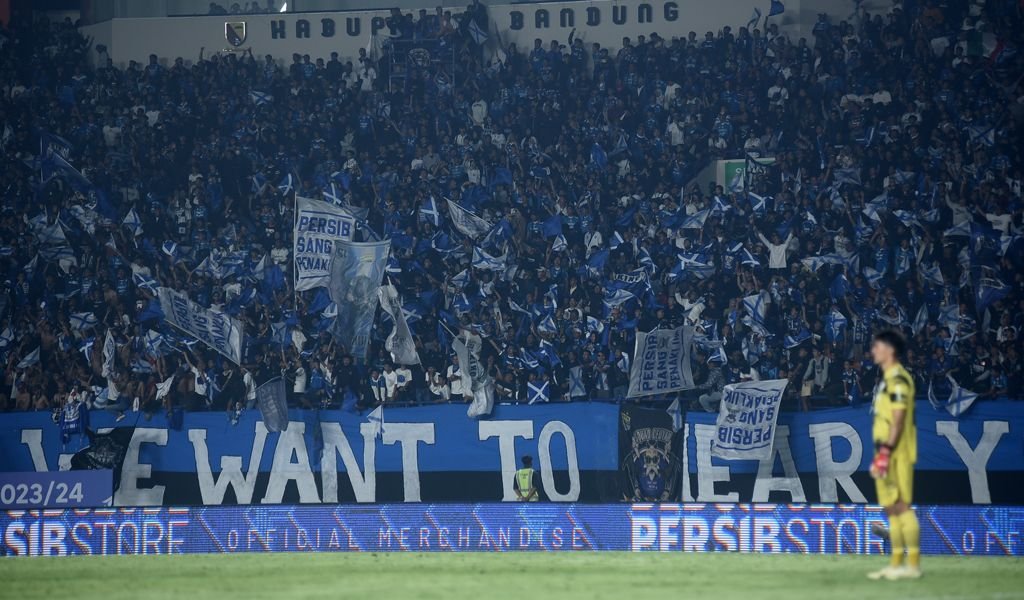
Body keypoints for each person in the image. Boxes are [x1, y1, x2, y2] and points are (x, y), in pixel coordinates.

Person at [867, 330, 921, 581]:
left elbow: (898, 419)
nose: (873, 351)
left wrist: (887, 452)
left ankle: (910, 562)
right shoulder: (888, 380)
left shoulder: (898, 380)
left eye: (878, 347)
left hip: (897, 450)